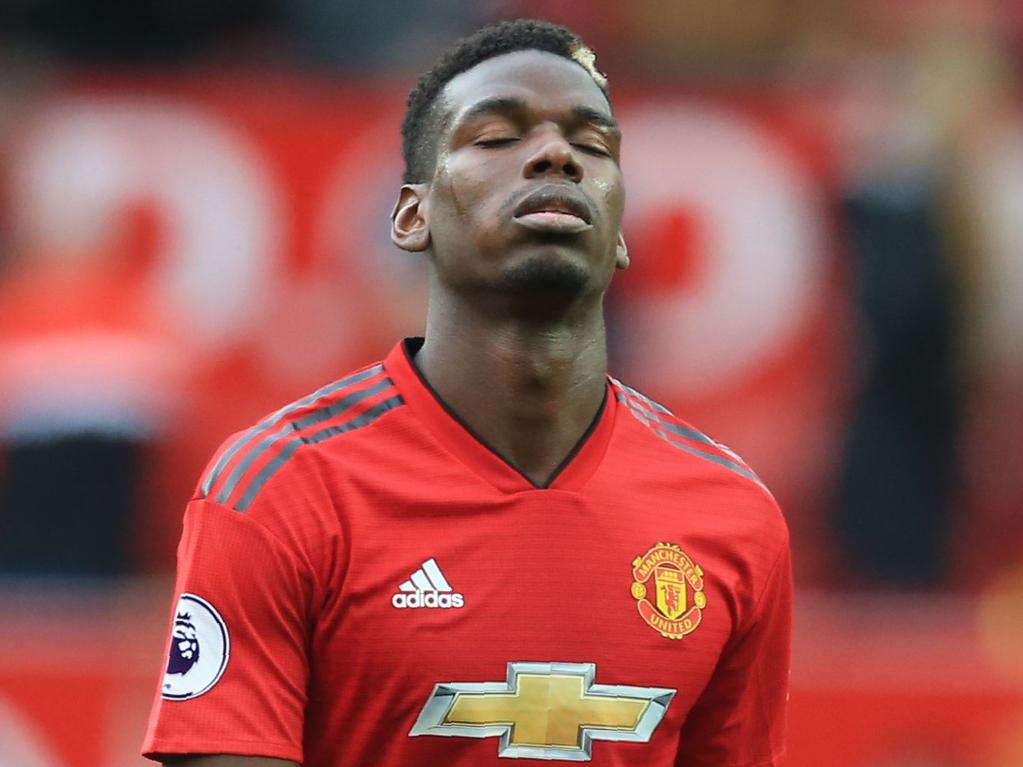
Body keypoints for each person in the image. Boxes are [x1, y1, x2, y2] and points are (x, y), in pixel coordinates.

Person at [142, 18, 791, 767]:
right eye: (494, 138)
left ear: (618, 232)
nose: (555, 154)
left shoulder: (732, 515)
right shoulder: (281, 488)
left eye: (592, 145)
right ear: (412, 216)